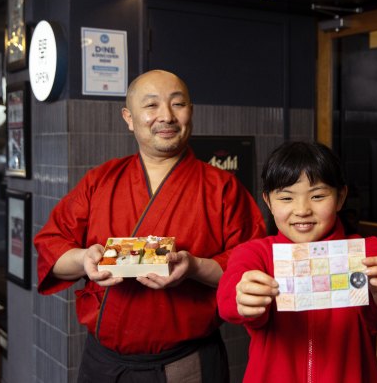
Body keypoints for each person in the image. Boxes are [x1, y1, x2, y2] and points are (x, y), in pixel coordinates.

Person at [34, 69, 266, 383]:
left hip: (186, 363)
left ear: (190, 112)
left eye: (177, 104)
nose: (166, 116)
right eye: (152, 106)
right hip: (104, 364)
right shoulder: (99, 181)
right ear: (129, 117)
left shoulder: (223, 188)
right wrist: (83, 259)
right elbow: (51, 247)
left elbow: (250, 267)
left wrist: (194, 267)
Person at [216, 141, 377, 383]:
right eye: (286, 198)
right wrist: (242, 297)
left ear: (340, 198)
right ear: (268, 201)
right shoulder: (255, 254)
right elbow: (228, 297)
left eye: (317, 196)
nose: (302, 210)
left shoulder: (366, 251)